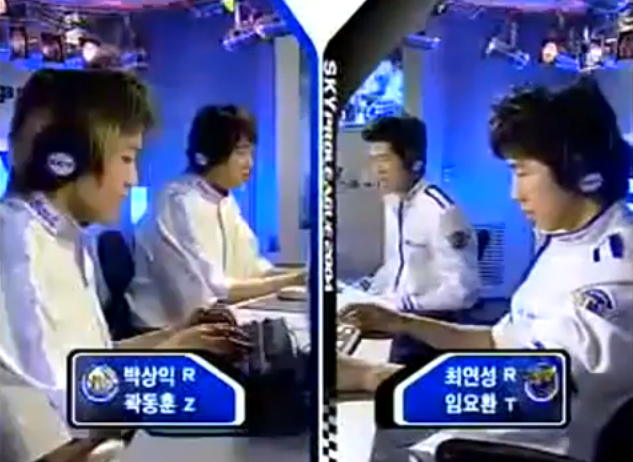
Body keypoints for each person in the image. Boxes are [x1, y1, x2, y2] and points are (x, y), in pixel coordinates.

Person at [338, 78, 633, 462]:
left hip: (514, 451)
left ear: (581, 170)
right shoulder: (566, 238)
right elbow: (497, 341)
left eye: (522, 172)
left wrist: (371, 376)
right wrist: (400, 322)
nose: (515, 193)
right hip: (477, 439)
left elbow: (537, 391)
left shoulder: (616, 271)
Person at [0, 69, 250, 462]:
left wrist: (175, 336)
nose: (133, 178)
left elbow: (85, 367)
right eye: (127, 158)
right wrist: (169, 359)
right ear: (65, 159)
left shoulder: (64, 237)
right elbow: (58, 441)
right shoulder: (18, 251)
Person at [128, 104, 305, 329]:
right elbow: (213, 291)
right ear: (204, 157)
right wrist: (294, 279)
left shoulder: (223, 199)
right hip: (166, 333)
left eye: (251, 152)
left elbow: (254, 270)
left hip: (207, 324)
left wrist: (304, 276)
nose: (249, 163)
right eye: (240, 153)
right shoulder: (178, 203)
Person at [345, 115, 480, 363]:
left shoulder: (441, 212)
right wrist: (362, 291)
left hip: (430, 327)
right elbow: (395, 265)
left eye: (385, 159)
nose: (377, 169)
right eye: (373, 160)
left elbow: (463, 292)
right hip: (397, 318)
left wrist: (402, 304)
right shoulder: (392, 201)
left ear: (414, 162)